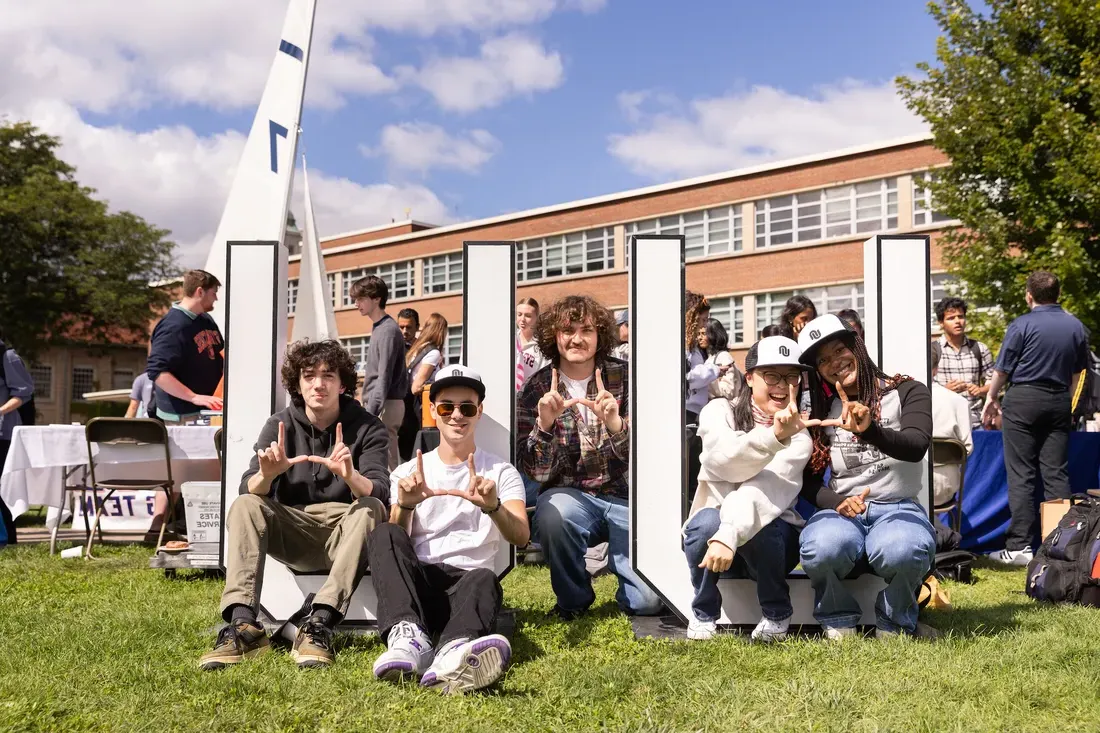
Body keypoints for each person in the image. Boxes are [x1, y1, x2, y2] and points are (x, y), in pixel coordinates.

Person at [200, 340, 390, 671]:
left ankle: (320, 623)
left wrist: (351, 476)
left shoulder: (368, 425)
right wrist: (267, 475)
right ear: (297, 383)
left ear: (343, 383)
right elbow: (249, 486)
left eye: (328, 375)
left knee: (371, 506)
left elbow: (381, 490)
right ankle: (243, 625)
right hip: (294, 531)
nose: (319, 384)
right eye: (309, 375)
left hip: (346, 532)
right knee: (246, 503)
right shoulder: (279, 424)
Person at [369, 365, 529, 694]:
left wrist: (493, 507)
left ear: (479, 412)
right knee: (384, 533)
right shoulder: (407, 471)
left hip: (467, 586)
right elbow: (396, 541)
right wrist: (408, 503)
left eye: (466, 407)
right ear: (433, 411)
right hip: (418, 586)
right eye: (446, 407)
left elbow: (522, 536)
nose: (457, 415)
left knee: (486, 579)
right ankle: (408, 637)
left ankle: (453, 653)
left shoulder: (501, 471)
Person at [518, 295, 663, 618]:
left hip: (627, 498)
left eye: (587, 330)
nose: (577, 339)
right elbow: (537, 474)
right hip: (571, 498)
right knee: (554, 513)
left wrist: (616, 425)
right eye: (567, 330)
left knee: (647, 604)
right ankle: (573, 599)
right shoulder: (536, 388)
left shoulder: (629, 378)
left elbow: (651, 457)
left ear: (601, 336)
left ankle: (627, 568)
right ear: (553, 335)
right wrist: (544, 424)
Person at [797, 314, 935, 639]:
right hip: (842, 511)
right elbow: (807, 480)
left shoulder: (907, 391)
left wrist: (870, 429)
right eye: (823, 361)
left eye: (839, 351)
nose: (835, 363)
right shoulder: (822, 410)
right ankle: (837, 618)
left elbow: (916, 446)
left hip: (897, 507)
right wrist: (837, 502)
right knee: (820, 546)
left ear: (856, 346)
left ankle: (894, 619)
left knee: (905, 548)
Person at [683, 336, 818, 641]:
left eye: (792, 376)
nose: (783, 385)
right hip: (717, 544)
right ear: (749, 378)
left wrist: (729, 533)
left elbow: (760, 491)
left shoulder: (798, 438)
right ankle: (703, 613)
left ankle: (776, 612)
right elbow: (723, 461)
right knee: (704, 523)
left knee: (763, 526)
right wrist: (772, 437)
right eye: (771, 375)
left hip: (771, 541)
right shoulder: (719, 411)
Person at [982, 272, 1090, 566]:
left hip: (1023, 399)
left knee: (1022, 474)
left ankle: (1019, 547)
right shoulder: (1076, 326)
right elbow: (1079, 372)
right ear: (1058, 294)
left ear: (1029, 295)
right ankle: (1060, 544)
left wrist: (991, 398)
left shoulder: (1022, 324)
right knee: (1056, 473)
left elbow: (1002, 370)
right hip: (1058, 400)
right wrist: (1066, 401)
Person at [146, 269, 224, 423]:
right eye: (213, 292)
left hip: (206, 412)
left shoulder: (206, 319)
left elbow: (221, 353)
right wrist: (193, 397)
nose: (216, 298)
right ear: (200, 292)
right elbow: (157, 372)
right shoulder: (173, 326)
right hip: (182, 416)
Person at [352, 274, 409, 470]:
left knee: (388, 460)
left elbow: (383, 376)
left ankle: (396, 499)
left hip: (386, 404)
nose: (356, 303)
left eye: (360, 298)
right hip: (382, 403)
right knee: (380, 456)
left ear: (376, 298)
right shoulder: (380, 328)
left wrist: (371, 411)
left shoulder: (387, 330)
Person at [933, 297, 994, 429]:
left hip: (975, 423)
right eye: (951, 318)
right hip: (942, 424)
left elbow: (994, 382)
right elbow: (922, 388)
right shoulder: (932, 351)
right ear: (941, 323)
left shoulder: (980, 348)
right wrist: (944, 391)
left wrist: (980, 390)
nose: (957, 322)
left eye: (960, 316)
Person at [398, 313, 447, 461]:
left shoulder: (419, 348)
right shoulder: (433, 352)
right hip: (420, 410)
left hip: (407, 408)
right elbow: (416, 386)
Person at [0, 334, 34, 545]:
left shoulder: (8, 357)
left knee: (2, 487)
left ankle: (7, 538)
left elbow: (24, 393)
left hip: (3, 433)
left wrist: (0, 411)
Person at [930, 343, 973, 506]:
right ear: (936, 369)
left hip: (908, 488)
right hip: (945, 488)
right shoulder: (958, 401)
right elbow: (966, 449)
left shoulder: (897, 399)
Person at [700, 318, 739, 401]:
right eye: (698, 334)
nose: (700, 337)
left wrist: (704, 379)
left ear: (713, 335)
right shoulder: (708, 358)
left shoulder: (723, 356)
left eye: (703, 334)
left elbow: (728, 392)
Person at [516, 297, 548, 392]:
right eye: (519, 314)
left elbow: (543, 377)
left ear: (536, 318)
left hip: (530, 397)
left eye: (528, 316)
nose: (522, 319)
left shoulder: (542, 346)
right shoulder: (510, 340)